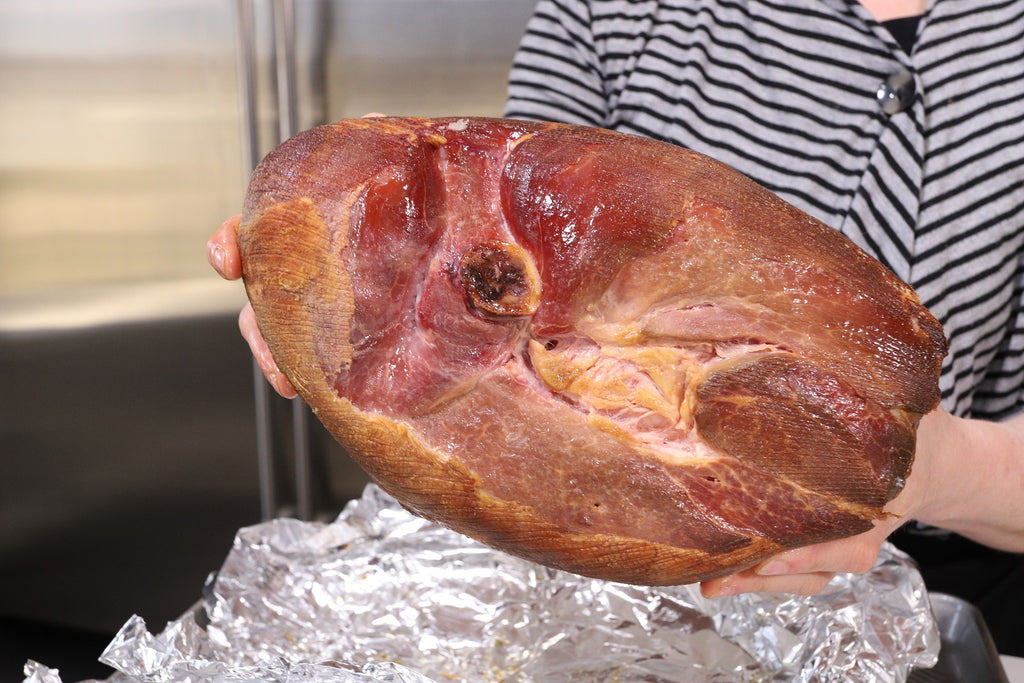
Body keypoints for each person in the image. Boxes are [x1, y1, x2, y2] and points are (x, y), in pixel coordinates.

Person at [209, 0, 1024, 652]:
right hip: (600, 627)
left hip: (954, 614)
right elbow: (491, 275)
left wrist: (932, 471)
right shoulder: (617, 11)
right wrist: (356, 255)